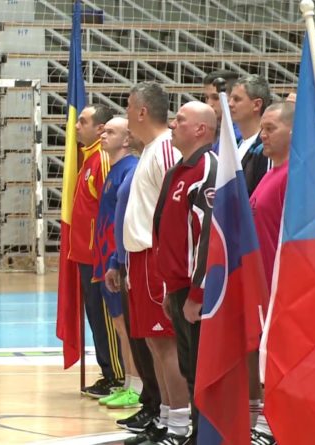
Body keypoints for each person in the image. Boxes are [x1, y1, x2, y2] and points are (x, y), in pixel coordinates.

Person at [152, 101, 219, 445]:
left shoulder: (208, 168)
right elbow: (170, 231)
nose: (172, 124)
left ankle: (208, 437)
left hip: (198, 294)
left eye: (180, 120)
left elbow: (209, 235)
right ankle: (197, 434)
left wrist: (197, 293)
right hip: (179, 290)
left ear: (200, 130)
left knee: (204, 372)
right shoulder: (178, 170)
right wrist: (170, 288)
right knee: (189, 367)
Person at [123, 81, 185, 445]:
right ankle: (163, 418)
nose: (127, 114)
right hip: (139, 258)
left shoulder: (165, 149)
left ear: (142, 111)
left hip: (155, 257)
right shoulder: (150, 149)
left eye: (129, 107)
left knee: (166, 343)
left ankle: (179, 424)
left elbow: (174, 209)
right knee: (153, 343)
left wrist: (166, 260)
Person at [104, 133, 162, 434]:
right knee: (139, 336)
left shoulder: (155, 156)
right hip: (127, 259)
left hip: (147, 261)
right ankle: (150, 402)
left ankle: (168, 413)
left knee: (156, 342)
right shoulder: (137, 163)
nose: (105, 135)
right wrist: (117, 258)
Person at [70, 104, 125, 398]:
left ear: (100, 128)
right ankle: (108, 372)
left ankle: (117, 375)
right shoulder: (88, 159)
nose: (77, 126)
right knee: (96, 317)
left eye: (83, 121)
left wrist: (106, 256)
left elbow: (109, 210)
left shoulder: (102, 161)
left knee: (106, 318)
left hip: (98, 258)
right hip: (85, 256)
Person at [248, 101, 294, 445]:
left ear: (293, 131)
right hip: (262, 284)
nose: (262, 135)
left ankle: (275, 425)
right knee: (266, 356)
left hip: (283, 288)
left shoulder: (292, 176)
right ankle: (268, 420)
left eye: (270, 129)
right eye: (262, 128)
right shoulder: (270, 172)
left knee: (280, 358)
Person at [93, 117, 142, 410]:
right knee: (119, 325)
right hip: (107, 260)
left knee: (127, 326)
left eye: (110, 131)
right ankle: (128, 383)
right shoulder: (114, 170)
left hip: (119, 260)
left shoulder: (130, 169)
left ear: (126, 139)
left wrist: (117, 259)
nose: (103, 134)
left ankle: (136, 386)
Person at [229, 74, 272, 194]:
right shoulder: (237, 144)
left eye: (237, 99)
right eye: (230, 99)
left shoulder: (266, 147)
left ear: (257, 105)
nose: (230, 104)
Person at [202, 70, 241, 150]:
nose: (209, 104)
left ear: (233, 98)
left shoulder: (240, 136)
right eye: (206, 97)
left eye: (216, 98)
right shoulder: (204, 130)